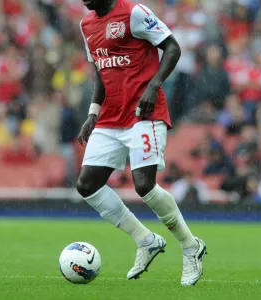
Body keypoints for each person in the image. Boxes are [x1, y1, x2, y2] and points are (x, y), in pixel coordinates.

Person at [77, 0, 207, 286]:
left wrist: (154, 84)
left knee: (144, 184)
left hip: (143, 113)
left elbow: (172, 47)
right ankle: (146, 240)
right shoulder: (86, 24)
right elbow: (100, 72)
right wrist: (92, 113)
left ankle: (191, 246)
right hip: (110, 117)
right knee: (87, 185)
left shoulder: (134, 12)